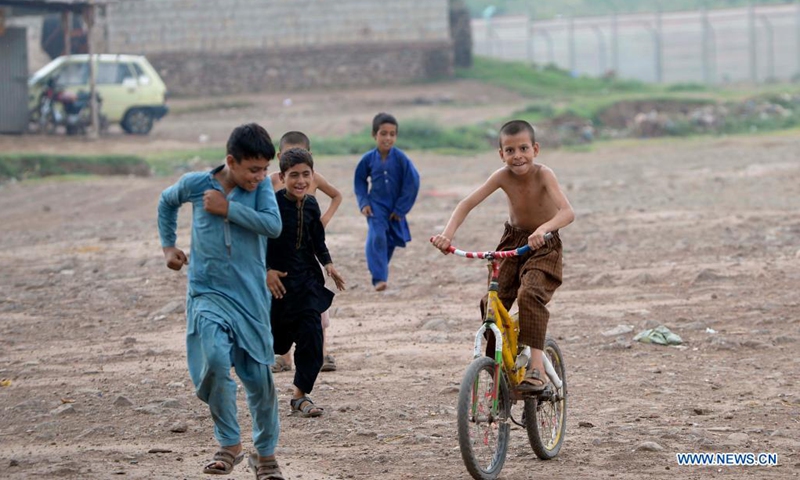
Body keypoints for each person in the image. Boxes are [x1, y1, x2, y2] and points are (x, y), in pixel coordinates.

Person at [157, 123, 287, 478]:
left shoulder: (259, 191)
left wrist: (227, 209)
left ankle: (265, 455)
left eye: (264, 169)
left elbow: (272, 226)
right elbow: (166, 202)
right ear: (231, 160)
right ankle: (229, 443)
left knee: (259, 378)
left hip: (250, 298)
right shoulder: (198, 185)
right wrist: (168, 246)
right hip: (206, 292)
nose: (260, 176)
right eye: (253, 169)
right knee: (213, 361)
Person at [432, 120, 575, 394]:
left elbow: (567, 212)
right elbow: (466, 204)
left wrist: (544, 228)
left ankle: (536, 368)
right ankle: (496, 366)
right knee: (491, 303)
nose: (517, 155)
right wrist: (447, 235)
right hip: (512, 242)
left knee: (530, 295)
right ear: (501, 154)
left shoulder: (545, 175)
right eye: (510, 150)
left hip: (543, 245)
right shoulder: (501, 176)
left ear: (535, 149)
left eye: (523, 148)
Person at [267, 147, 346, 418]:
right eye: (293, 175)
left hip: (308, 280)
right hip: (277, 285)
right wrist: (266, 270)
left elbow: (317, 241)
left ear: (313, 176)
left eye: (306, 175)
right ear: (282, 176)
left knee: (312, 335)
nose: (300, 181)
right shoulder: (272, 204)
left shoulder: (312, 204)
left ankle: (300, 395)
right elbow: (257, 242)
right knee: (277, 341)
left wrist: (329, 265)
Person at [354, 112, 420, 291]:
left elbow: (412, 183)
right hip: (376, 206)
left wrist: (401, 209)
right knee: (377, 236)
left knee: (390, 240)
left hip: (395, 207)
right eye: (383, 133)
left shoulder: (401, 159)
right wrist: (363, 202)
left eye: (392, 134)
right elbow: (359, 180)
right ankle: (379, 278)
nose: (388, 138)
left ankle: (380, 267)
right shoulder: (368, 159)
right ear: (374, 135)